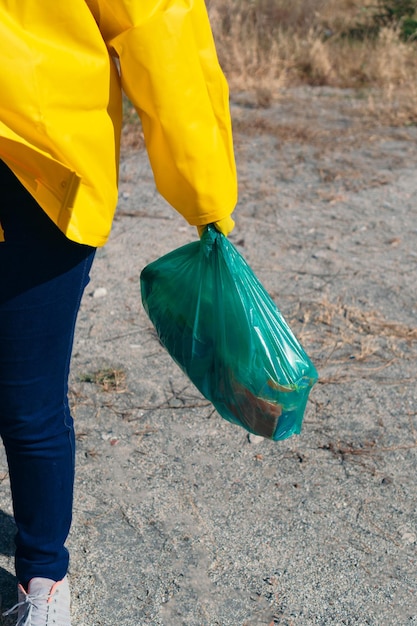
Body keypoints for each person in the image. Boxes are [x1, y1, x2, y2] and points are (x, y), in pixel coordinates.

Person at [0, 1, 237, 624]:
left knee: (27, 398)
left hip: (35, 175)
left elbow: (159, 29)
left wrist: (205, 194)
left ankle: (44, 578)